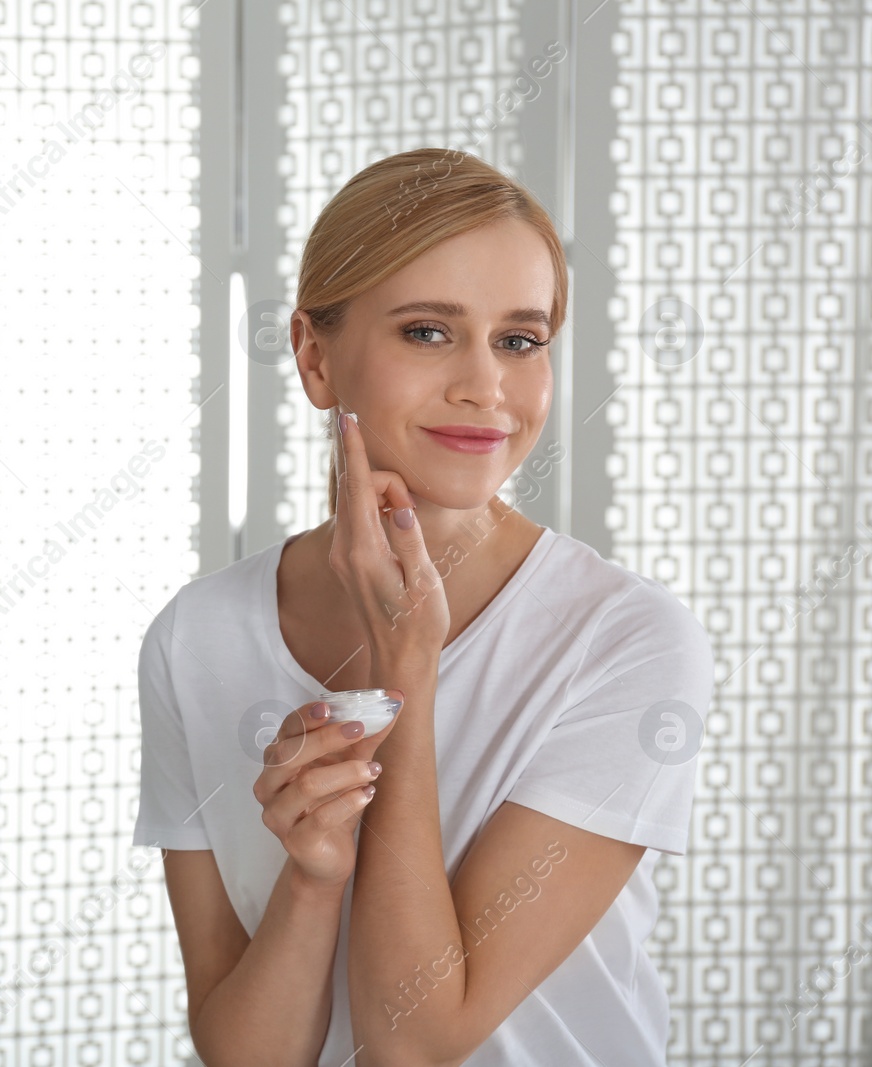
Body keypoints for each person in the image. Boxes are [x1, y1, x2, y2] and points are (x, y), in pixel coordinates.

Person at [132, 148, 713, 1066]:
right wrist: (314, 880)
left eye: (519, 340)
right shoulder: (194, 637)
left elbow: (417, 1041)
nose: (485, 385)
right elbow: (246, 1054)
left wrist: (408, 666)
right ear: (315, 358)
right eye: (429, 332)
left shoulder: (628, 642)